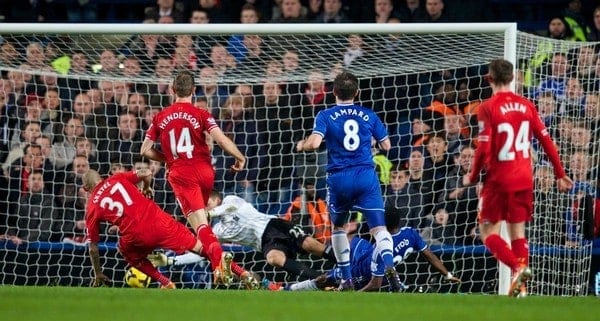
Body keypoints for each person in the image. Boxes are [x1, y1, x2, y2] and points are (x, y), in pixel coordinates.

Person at [462, 58, 573, 297]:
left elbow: (482, 148)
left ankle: (518, 267)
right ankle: (521, 288)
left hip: (499, 178)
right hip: (525, 177)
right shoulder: (527, 105)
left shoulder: (487, 107)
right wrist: (560, 173)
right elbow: (546, 141)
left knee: (488, 232)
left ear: (489, 79)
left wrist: (472, 176)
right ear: (513, 78)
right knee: (518, 233)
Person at [140, 70, 250, 287]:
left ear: (172, 90)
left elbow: (145, 149)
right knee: (204, 224)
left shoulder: (160, 117)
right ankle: (235, 270)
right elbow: (220, 139)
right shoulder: (202, 113)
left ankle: (220, 262)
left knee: (200, 228)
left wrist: (169, 159)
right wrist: (240, 157)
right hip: (205, 171)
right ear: (193, 90)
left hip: (182, 175)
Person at [296, 71, 403, 291]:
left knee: (338, 226)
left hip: (339, 178)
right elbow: (387, 146)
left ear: (333, 91)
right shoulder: (368, 114)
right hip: (365, 175)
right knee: (379, 228)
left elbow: (315, 144)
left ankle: (346, 279)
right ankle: (391, 268)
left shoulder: (325, 115)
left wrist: (301, 145)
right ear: (357, 92)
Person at [149, 191, 337, 281]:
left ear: (215, 199)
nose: (205, 208)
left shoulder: (230, 200)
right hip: (265, 242)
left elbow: (230, 208)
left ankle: (343, 262)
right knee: (274, 259)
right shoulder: (217, 232)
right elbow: (201, 251)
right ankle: (322, 280)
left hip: (273, 224)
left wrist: (210, 213)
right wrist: (171, 261)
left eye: (207, 203)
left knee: (310, 245)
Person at [285, 210, 461, 292]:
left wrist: (354, 295)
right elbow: (430, 256)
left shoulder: (382, 248)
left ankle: (290, 289)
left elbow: (374, 284)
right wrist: (447, 274)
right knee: (355, 241)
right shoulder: (411, 234)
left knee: (327, 278)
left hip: (365, 268)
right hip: (365, 253)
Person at [84, 168, 198, 289]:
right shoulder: (116, 178)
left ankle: (165, 282)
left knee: (128, 252)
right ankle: (216, 257)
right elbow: (147, 172)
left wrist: (98, 273)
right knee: (194, 245)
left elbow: (93, 249)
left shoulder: (92, 207)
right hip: (157, 220)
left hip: (137, 235)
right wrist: (146, 187)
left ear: (86, 188)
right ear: (100, 178)